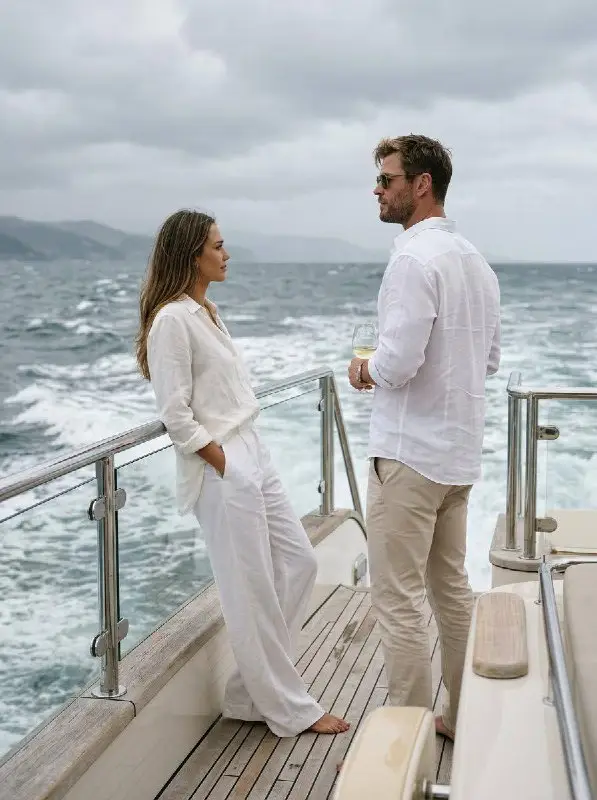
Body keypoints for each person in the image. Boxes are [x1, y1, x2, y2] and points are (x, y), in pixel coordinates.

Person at [136, 209, 349, 738]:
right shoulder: (171, 321)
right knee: (249, 590)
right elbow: (176, 414)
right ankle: (288, 708)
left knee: (298, 563)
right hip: (223, 465)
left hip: (253, 452)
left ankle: (247, 693)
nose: (226, 253)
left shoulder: (206, 311)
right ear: (192, 255)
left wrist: (246, 460)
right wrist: (227, 465)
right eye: (218, 245)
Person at [348, 135, 501, 741]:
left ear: (422, 185)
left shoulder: (413, 261)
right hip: (458, 459)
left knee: (399, 602)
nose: (378, 191)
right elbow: (487, 361)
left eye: (387, 180)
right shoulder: (477, 264)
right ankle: (461, 721)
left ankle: (401, 742)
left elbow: (398, 364)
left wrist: (365, 369)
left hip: (410, 458)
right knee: (451, 592)